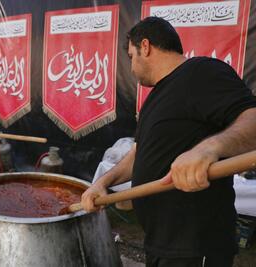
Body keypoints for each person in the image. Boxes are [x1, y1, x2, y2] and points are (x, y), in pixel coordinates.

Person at [81, 17, 256, 267]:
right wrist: (103, 183)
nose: (131, 68)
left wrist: (209, 149)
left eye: (131, 56)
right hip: (160, 242)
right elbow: (139, 153)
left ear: (146, 46)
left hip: (196, 246)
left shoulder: (202, 72)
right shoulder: (155, 97)